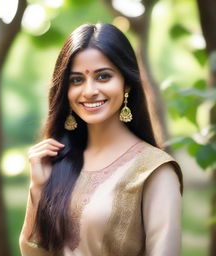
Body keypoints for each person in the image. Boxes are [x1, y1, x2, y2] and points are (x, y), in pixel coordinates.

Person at [19, 23, 183, 256]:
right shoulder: (58, 161)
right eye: (76, 80)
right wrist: (38, 189)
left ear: (126, 83)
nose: (89, 91)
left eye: (103, 76)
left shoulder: (154, 170)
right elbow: (32, 251)